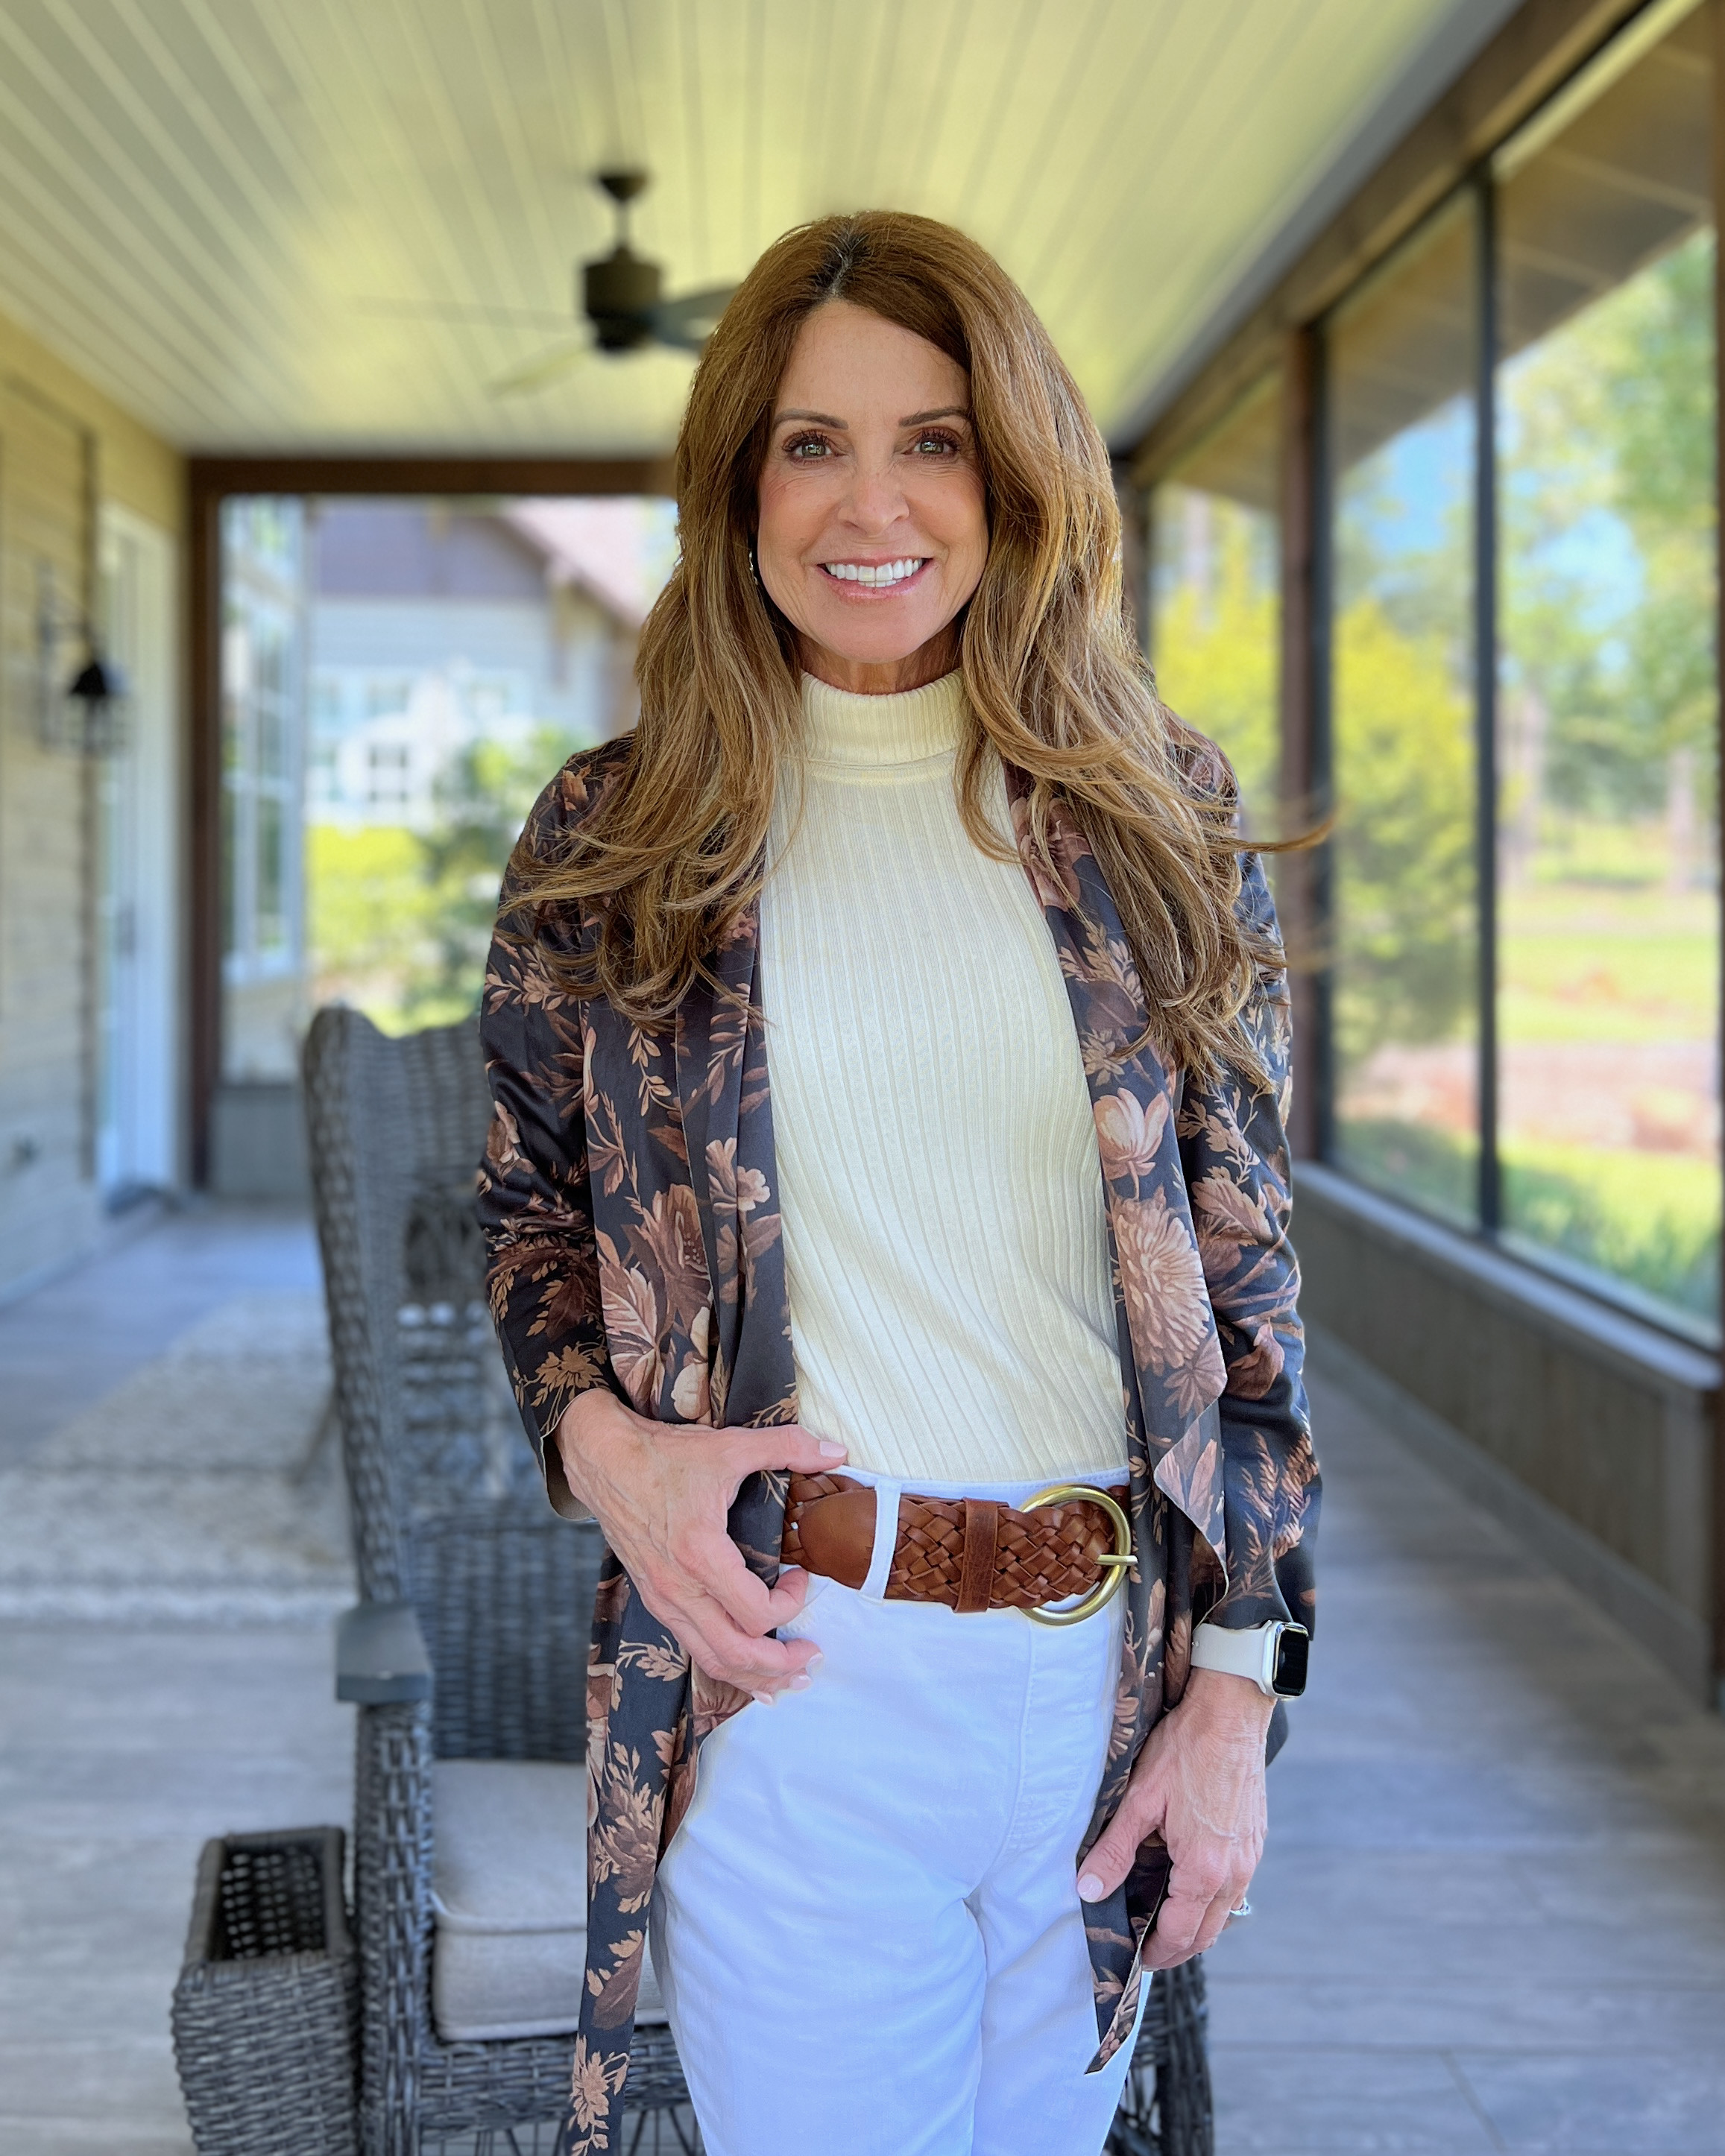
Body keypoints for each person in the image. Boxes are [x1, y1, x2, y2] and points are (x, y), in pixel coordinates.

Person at [477, 209, 1319, 2156]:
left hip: (1098, 1690)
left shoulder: (1151, 813)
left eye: (933, 438)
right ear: (737, 484)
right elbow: (523, 1220)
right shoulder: (617, 834)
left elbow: (1249, 1297)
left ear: (1016, 473)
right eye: (810, 441)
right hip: (794, 1679)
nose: (873, 500)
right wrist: (598, 1445)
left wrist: (1230, 1708)